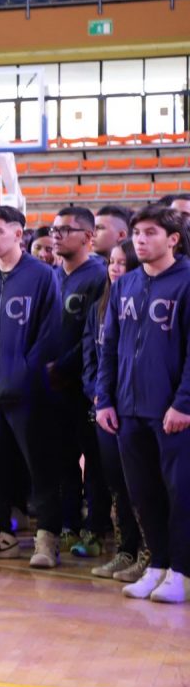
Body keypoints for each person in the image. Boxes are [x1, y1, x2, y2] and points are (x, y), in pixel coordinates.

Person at [96, 206, 190, 603]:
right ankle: (157, 565)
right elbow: (110, 346)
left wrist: (184, 403)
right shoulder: (126, 284)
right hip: (128, 408)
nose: (141, 239)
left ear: (173, 239)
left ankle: (181, 572)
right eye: (137, 233)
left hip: (172, 412)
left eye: (151, 233)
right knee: (142, 492)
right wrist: (104, 398)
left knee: (180, 494)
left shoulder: (186, 281)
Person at [0, 206, 63, 568]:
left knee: (40, 467)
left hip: (28, 393)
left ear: (19, 234)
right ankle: (2, 534)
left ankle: (47, 538)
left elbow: (50, 334)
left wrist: (24, 373)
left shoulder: (42, 276)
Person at [48, 207, 110, 558]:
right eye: (54, 230)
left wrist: (61, 366)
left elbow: (92, 335)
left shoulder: (99, 276)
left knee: (95, 464)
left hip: (85, 385)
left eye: (65, 230)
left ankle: (95, 527)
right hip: (52, 385)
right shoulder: (51, 276)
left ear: (88, 236)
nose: (56, 236)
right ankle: (68, 523)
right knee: (61, 459)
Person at [83, 239, 146, 582]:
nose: (115, 269)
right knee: (117, 485)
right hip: (106, 408)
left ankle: (150, 554)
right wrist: (97, 394)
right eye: (112, 262)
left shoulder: (143, 304)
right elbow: (91, 357)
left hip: (136, 406)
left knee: (141, 486)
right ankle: (125, 550)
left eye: (123, 263)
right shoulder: (99, 307)